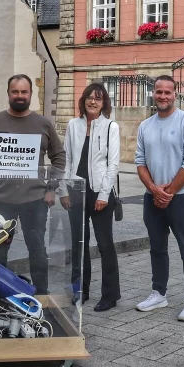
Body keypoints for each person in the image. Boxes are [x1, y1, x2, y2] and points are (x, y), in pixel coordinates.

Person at [0, 74, 65, 295]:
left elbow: (59, 157)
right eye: (15, 91)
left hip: (35, 199)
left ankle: (41, 296)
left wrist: (51, 188)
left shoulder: (43, 124)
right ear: (8, 93)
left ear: (31, 94)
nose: (20, 96)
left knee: (37, 249)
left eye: (24, 92)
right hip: (2, 199)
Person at [134, 75, 184, 322]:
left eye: (167, 92)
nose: (163, 96)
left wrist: (169, 192)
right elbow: (140, 162)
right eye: (159, 92)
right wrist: (154, 189)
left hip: (181, 198)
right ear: (153, 93)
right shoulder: (145, 126)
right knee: (157, 248)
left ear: (175, 95)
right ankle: (159, 293)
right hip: (152, 198)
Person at [60, 82, 121, 312]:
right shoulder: (73, 125)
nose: (92, 101)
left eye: (98, 98)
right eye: (89, 97)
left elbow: (113, 164)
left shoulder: (110, 127)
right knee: (78, 244)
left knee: (105, 245)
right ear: (83, 100)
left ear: (104, 102)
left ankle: (110, 295)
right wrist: (63, 190)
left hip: (100, 192)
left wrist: (104, 194)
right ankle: (80, 290)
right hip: (76, 191)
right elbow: (66, 160)